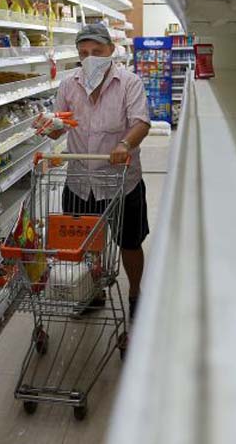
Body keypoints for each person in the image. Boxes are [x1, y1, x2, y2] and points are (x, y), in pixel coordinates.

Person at [45, 23, 151, 322]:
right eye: (83, 53)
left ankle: (135, 293)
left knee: (129, 243)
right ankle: (92, 290)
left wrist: (124, 144)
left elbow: (141, 122)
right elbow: (60, 125)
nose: (90, 58)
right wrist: (50, 126)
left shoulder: (129, 82)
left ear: (111, 50)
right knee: (85, 244)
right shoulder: (69, 84)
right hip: (80, 182)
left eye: (97, 51)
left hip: (121, 182)